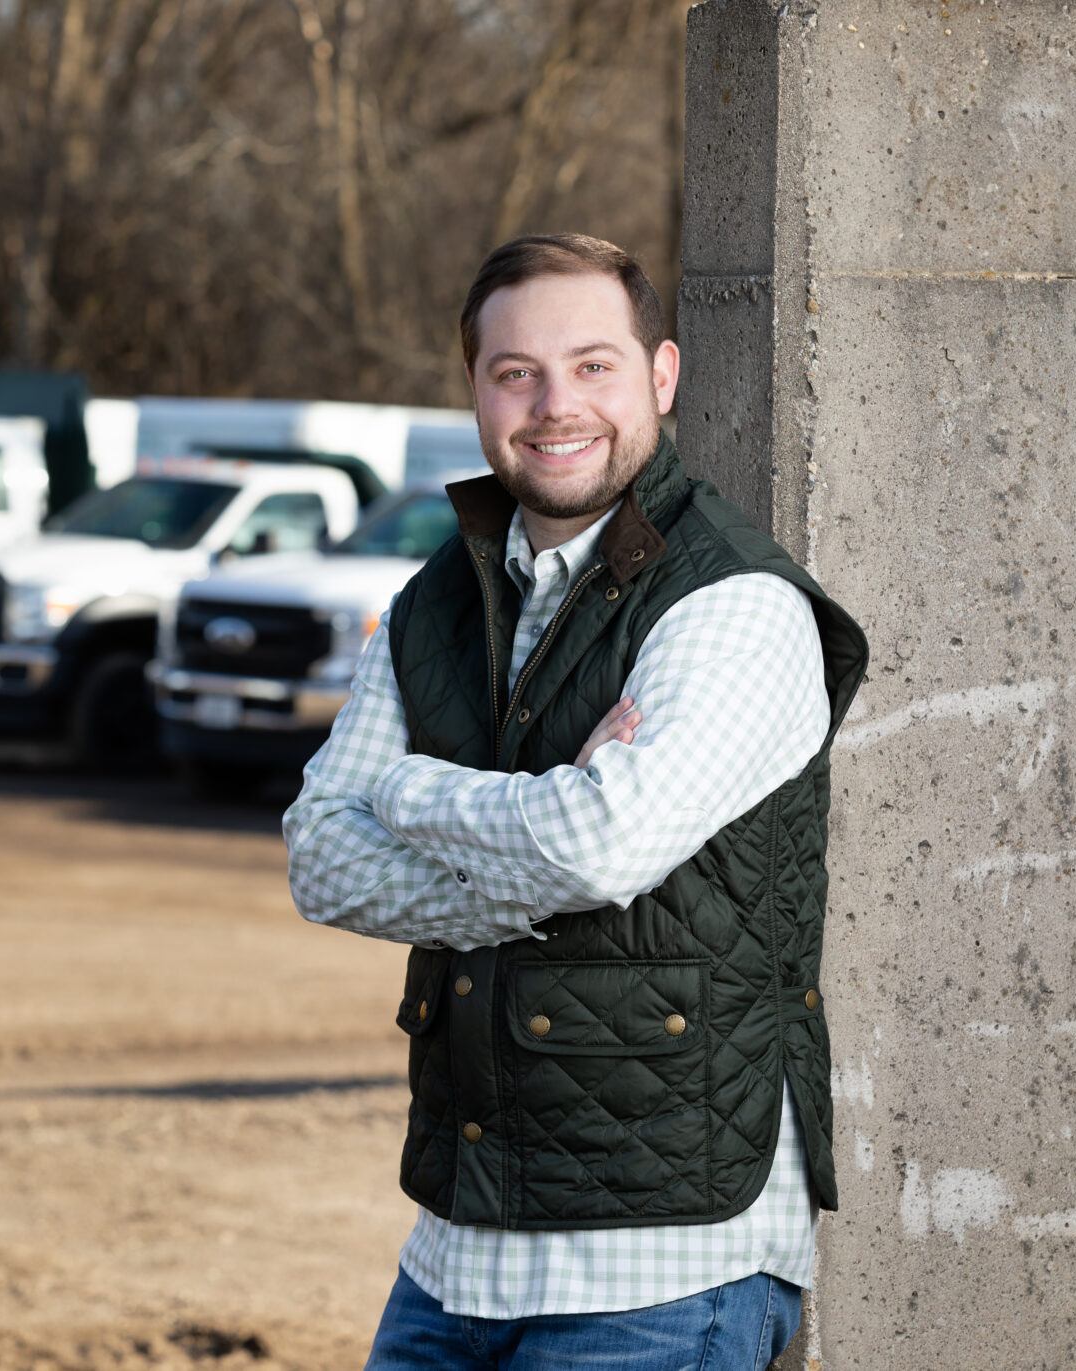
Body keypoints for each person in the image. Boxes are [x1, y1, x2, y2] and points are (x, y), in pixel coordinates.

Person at [283, 233, 870, 1370]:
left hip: (662, 1270)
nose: (555, 404)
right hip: (455, 1254)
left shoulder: (734, 606)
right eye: (517, 373)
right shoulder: (437, 603)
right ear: (476, 392)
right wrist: (533, 842)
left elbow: (599, 845)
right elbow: (321, 858)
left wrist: (403, 789)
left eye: (593, 365)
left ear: (661, 375)